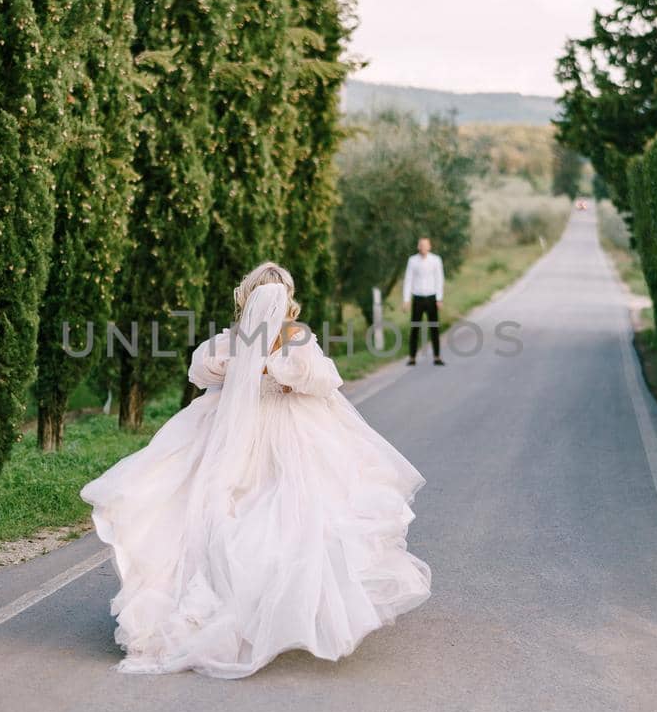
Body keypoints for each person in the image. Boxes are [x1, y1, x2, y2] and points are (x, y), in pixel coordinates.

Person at [81, 261, 431, 678]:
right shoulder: (295, 339)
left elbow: (201, 371)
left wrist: (252, 364)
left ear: (245, 297)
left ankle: (238, 607)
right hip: (290, 431)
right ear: (289, 301)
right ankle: (278, 610)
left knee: (219, 512)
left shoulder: (232, 341)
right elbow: (323, 378)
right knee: (299, 515)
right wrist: (272, 368)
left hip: (231, 431)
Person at [402, 236, 445, 366]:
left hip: (432, 297)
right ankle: (412, 357)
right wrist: (406, 299)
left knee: (434, 328)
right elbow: (408, 280)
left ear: (429, 246)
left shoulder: (436, 260)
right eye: (421, 245)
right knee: (415, 327)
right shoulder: (412, 261)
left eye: (425, 245)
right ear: (418, 246)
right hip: (418, 298)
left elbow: (439, 279)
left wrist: (439, 298)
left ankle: (437, 356)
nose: (423, 248)